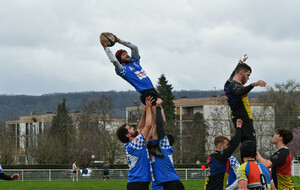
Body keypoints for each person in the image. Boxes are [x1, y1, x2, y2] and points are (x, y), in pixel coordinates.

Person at [101, 33, 164, 158]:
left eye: (126, 53)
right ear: (121, 60)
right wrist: (105, 48)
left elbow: (134, 47)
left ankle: (153, 145)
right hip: (146, 93)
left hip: (152, 91)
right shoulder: (122, 70)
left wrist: (119, 40)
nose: (127, 55)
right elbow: (113, 60)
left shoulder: (135, 62)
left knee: (160, 121)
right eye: (124, 55)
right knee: (155, 122)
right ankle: (153, 146)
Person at [224, 55, 266, 144]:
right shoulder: (233, 85)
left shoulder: (231, 81)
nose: (248, 78)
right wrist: (253, 85)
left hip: (241, 118)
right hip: (243, 119)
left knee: (248, 145)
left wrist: (240, 62)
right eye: (248, 75)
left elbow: (236, 72)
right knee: (250, 145)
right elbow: (239, 92)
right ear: (242, 73)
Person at [116, 96, 156, 190]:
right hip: (137, 184)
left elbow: (141, 127)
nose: (132, 128)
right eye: (130, 128)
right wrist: (149, 108)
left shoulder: (133, 143)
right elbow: (148, 126)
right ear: (127, 135)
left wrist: (146, 109)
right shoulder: (133, 145)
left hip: (139, 183)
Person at [149, 104, 185, 190]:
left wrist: (157, 108)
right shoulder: (154, 148)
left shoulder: (165, 148)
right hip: (166, 185)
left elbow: (160, 126)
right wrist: (151, 108)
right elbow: (153, 128)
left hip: (173, 185)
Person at [204, 119, 243, 190]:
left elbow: (231, 144)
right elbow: (234, 144)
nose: (228, 147)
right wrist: (238, 127)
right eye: (227, 145)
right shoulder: (220, 157)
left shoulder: (213, 156)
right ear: (220, 146)